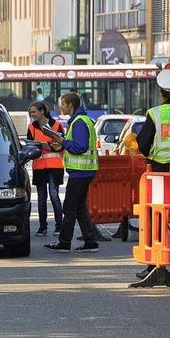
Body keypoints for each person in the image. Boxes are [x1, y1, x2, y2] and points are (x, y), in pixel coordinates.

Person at [135, 69, 170, 280]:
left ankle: (155, 264)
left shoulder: (155, 113)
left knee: (155, 216)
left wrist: (155, 154)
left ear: (162, 93)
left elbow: (143, 143)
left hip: (160, 172)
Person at [43, 92, 100, 253]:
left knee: (69, 208)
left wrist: (63, 141)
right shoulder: (81, 120)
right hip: (84, 171)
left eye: (63, 103)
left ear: (70, 105)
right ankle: (90, 241)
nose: (61, 106)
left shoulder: (79, 122)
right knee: (80, 207)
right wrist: (61, 144)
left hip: (80, 172)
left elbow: (80, 147)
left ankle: (64, 243)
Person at [26, 102, 64, 236]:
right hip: (40, 166)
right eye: (31, 113)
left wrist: (44, 145)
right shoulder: (32, 127)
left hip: (55, 166)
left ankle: (59, 226)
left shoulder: (57, 125)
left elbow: (61, 145)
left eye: (34, 112)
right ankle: (43, 227)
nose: (32, 115)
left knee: (54, 196)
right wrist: (49, 145)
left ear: (42, 111)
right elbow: (30, 146)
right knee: (42, 198)